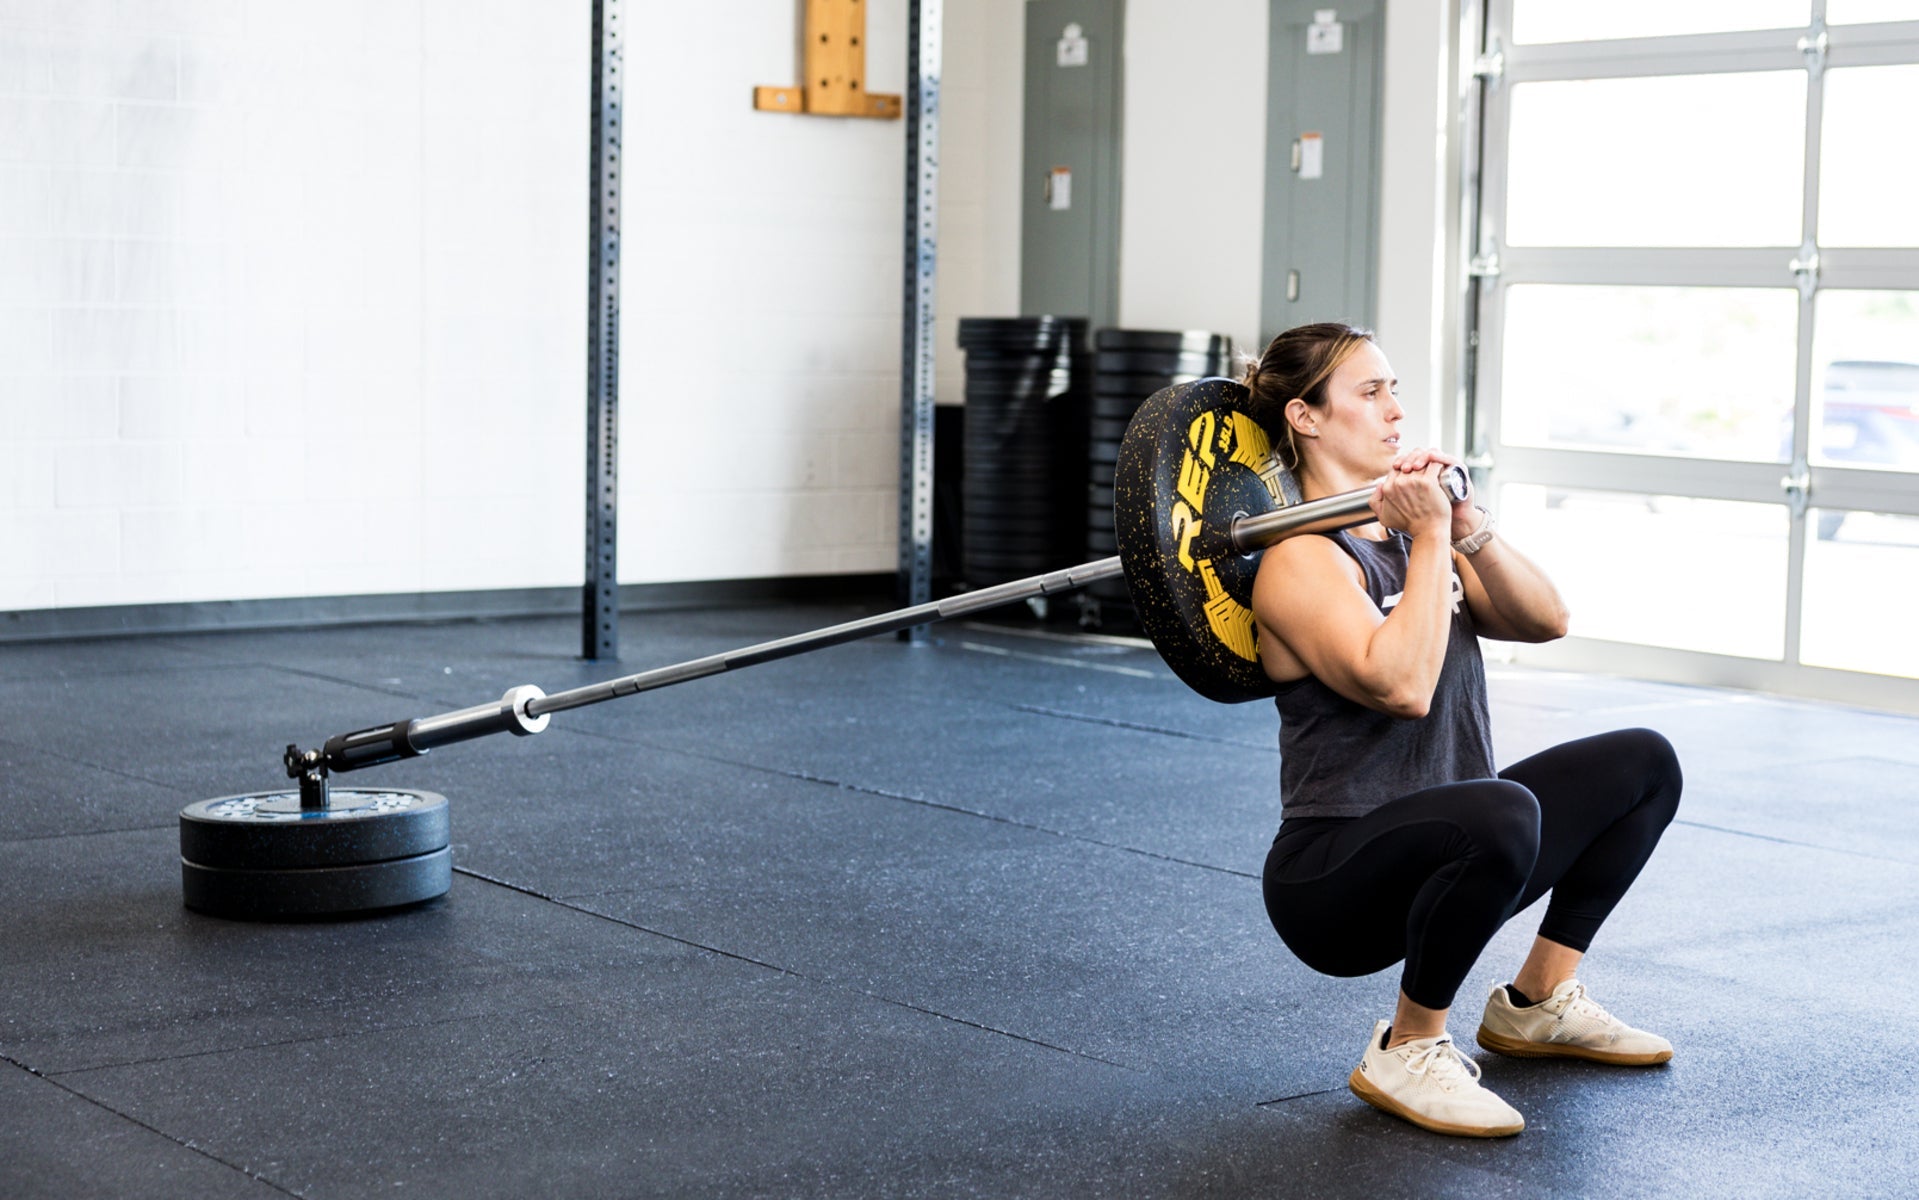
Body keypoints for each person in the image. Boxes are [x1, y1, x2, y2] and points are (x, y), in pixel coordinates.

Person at [1244, 322, 1684, 1139]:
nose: (1395, 411)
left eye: (1395, 390)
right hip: (1335, 878)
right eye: (1369, 393)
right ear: (1304, 417)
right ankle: (1407, 1048)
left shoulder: (1413, 536)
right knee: (1500, 808)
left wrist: (1464, 521)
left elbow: (1545, 619)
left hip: (1459, 844)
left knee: (1642, 763)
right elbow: (1401, 687)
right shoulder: (1301, 560)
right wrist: (1432, 539)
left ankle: (1536, 1002)